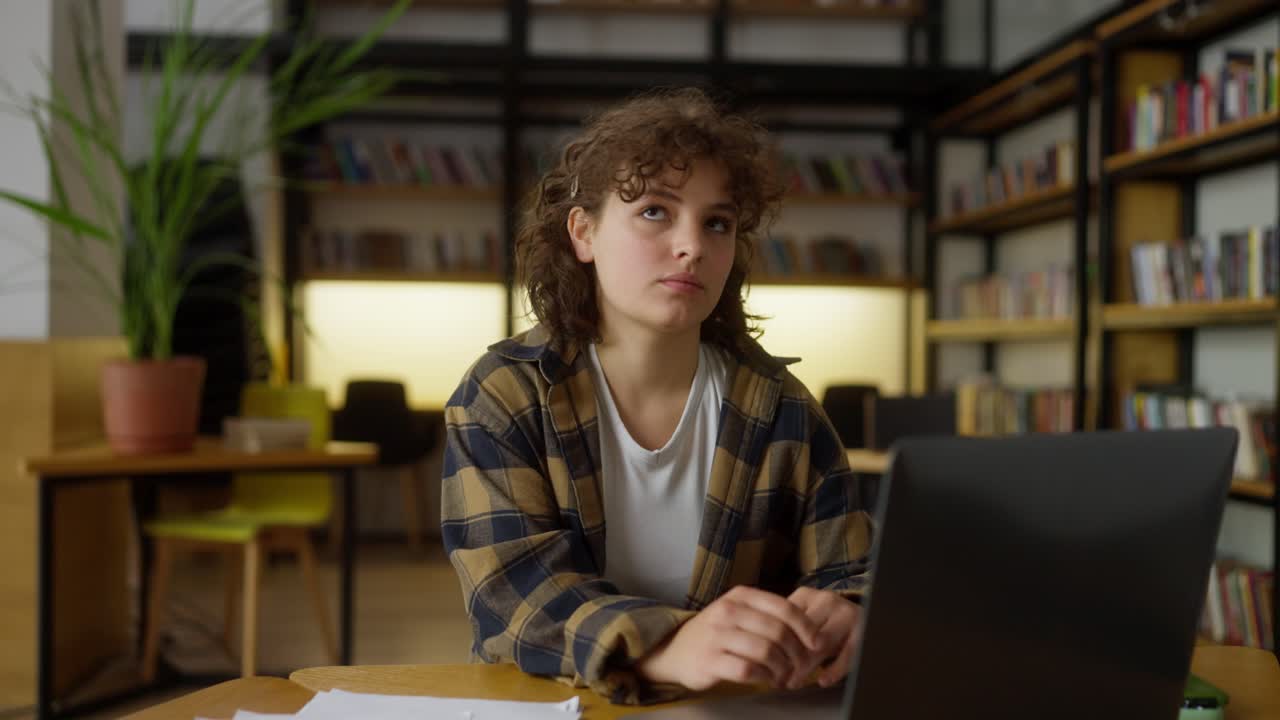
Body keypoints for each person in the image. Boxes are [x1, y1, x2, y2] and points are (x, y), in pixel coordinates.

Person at [441, 87, 873, 706]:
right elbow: (512, 597)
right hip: (555, 707)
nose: (692, 245)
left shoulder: (784, 407)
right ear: (582, 232)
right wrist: (669, 642)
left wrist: (849, 609)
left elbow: (850, 566)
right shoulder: (503, 394)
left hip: (731, 711)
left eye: (717, 222)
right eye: (654, 211)